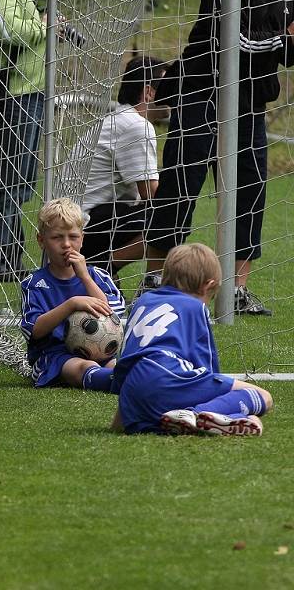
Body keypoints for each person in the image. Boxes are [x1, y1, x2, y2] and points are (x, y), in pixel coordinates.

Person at [141, 0, 294, 315]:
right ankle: (155, 279)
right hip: (202, 89)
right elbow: (232, 34)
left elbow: (289, 53)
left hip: (250, 98)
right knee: (181, 184)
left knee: (251, 192)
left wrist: (284, 41)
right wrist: (281, 39)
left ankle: (237, 290)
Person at [112, 243, 272, 436]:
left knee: (250, 420)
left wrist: (119, 421)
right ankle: (194, 413)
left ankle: (229, 419)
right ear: (209, 286)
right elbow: (207, 366)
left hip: (134, 393)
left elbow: (126, 361)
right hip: (169, 374)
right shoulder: (195, 306)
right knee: (263, 396)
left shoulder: (142, 302)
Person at [0, 0, 47, 280]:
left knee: (18, 180)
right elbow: (6, 31)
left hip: (29, 91)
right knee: (8, 180)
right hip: (14, 93)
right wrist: (45, 25)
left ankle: (5, 257)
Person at [75, 56, 168, 279]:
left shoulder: (119, 118)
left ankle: (104, 267)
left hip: (74, 224)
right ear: (149, 92)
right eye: (170, 86)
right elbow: (152, 195)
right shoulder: (136, 126)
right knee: (171, 215)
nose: (177, 94)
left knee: (167, 211)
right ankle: (106, 267)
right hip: (82, 228)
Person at [20, 198, 125, 390]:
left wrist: (84, 277)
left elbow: (113, 315)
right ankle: (119, 383)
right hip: (53, 356)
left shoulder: (98, 277)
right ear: (41, 240)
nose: (66, 244)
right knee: (85, 366)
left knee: (112, 365)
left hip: (100, 350)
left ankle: (119, 379)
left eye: (73, 237)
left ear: (82, 238)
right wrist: (72, 304)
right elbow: (33, 330)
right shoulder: (34, 283)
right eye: (57, 237)